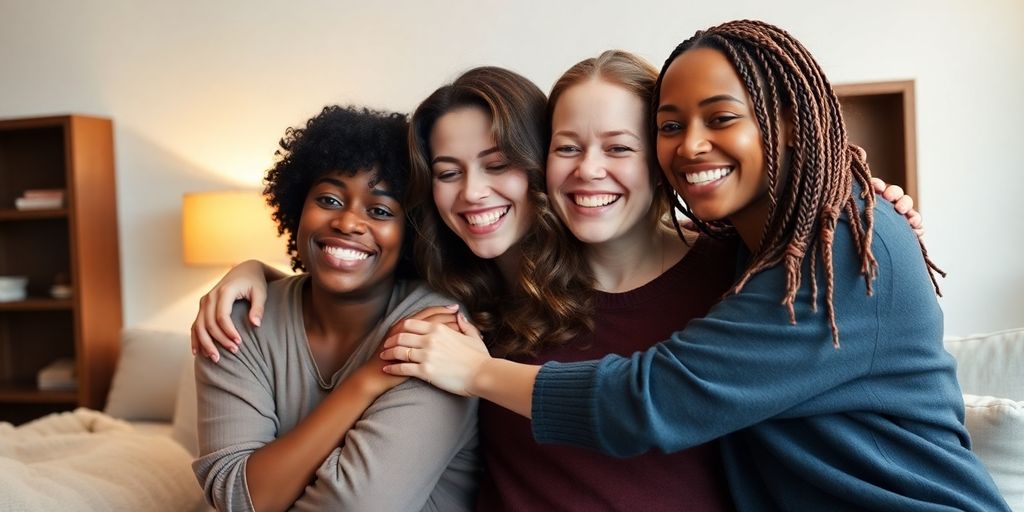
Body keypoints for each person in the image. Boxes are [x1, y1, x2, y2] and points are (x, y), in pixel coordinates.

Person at [191, 63, 925, 511]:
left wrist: (873, 205)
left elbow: (649, 396)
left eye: (499, 161)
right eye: (447, 172)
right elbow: (345, 255)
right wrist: (250, 271)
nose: (472, 192)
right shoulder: (463, 293)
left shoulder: (729, 268)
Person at [379, 20, 1010, 511]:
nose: (692, 145)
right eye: (672, 125)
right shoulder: (752, 253)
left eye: (721, 118)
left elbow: (654, 399)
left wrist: (480, 373)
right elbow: (353, 263)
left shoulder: (834, 241)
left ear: (788, 123)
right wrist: (274, 280)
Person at [191, 105, 479, 512]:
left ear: (412, 232)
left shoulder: (435, 331)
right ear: (298, 208)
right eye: (328, 199)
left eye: (379, 211)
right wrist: (365, 382)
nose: (347, 223)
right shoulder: (238, 320)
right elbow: (237, 497)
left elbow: (356, 506)